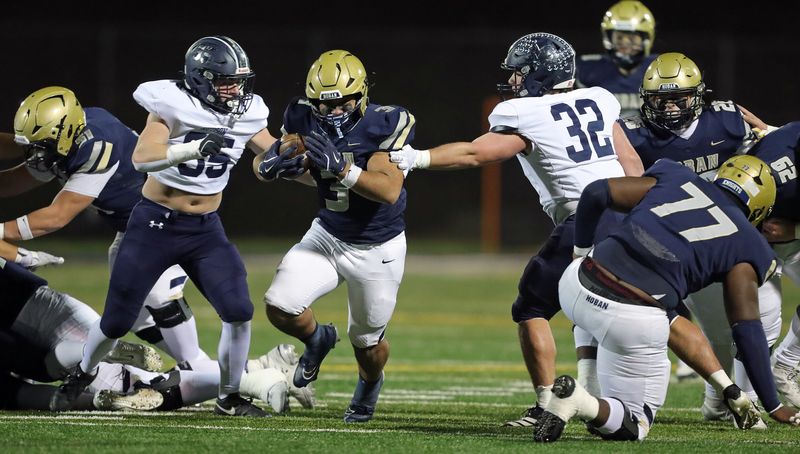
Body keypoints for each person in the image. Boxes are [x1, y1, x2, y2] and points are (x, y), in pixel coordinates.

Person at [51, 35, 279, 417]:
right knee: (117, 320)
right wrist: (192, 147)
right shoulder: (171, 103)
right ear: (202, 79)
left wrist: (289, 156)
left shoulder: (247, 112)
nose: (236, 91)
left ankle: (228, 397)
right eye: (227, 82)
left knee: (239, 309)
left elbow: (269, 149)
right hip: (155, 223)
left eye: (239, 82)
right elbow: (143, 157)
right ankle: (83, 372)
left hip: (205, 228)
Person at [534, 155, 800, 443]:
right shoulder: (750, 244)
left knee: (665, 314)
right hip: (629, 316)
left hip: (576, 283)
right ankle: (579, 400)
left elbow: (596, 192)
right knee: (634, 424)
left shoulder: (677, 175)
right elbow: (747, 329)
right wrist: (773, 404)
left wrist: (579, 253)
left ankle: (591, 381)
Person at [1, 86, 211, 371]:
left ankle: (204, 372)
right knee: (133, 313)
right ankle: (206, 369)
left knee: (159, 295)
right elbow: (10, 182)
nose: (34, 154)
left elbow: (55, 217)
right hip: (136, 227)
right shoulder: (64, 137)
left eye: (40, 145)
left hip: (169, 217)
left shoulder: (97, 146)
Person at [621, 52, 781, 423]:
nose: (670, 107)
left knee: (768, 311)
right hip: (683, 245)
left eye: (679, 98)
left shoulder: (727, 121)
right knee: (723, 330)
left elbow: (767, 155)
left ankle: (739, 398)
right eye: (661, 99)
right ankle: (724, 398)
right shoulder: (633, 135)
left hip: (733, 237)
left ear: (698, 96)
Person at [255, 49, 414, 423]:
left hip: (377, 245)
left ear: (362, 95)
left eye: (344, 103)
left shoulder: (386, 122)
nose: (334, 113)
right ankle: (317, 340)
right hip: (328, 234)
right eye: (325, 106)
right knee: (279, 305)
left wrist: (343, 169)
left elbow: (388, 189)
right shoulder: (301, 115)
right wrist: (271, 165)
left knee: (366, 343)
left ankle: (369, 384)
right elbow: (272, 161)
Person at [749, 122, 800, 409]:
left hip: (793, 238)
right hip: (754, 237)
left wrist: (795, 230)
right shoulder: (774, 158)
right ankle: (726, 396)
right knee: (752, 320)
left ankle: (785, 363)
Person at [576, 1, 657, 119]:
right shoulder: (586, 69)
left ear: (646, 39)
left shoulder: (658, 69)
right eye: (619, 37)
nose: (625, 44)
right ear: (608, 38)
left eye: (632, 38)